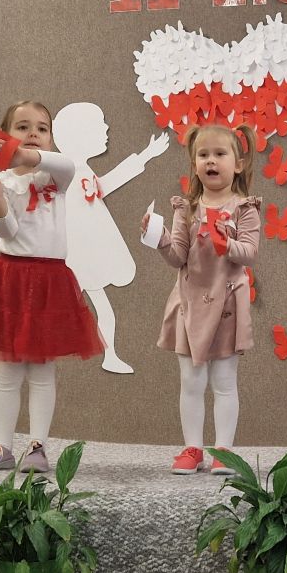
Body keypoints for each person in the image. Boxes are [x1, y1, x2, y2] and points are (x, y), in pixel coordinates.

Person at [0, 101, 104, 474]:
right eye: (22, 126)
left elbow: (63, 163)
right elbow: (7, 231)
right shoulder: (3, 182)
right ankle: (1, 447)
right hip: (11, 278)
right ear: (4, 135)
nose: (33, 133)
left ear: (51, 138)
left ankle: (38, 446)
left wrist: (21, 154)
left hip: (50, 280)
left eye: (42, 128)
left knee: (42, 371)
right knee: (7, 372)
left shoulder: (56, 175)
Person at [142, 123, 260, 475]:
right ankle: (192, 448)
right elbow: (178, 255)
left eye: (220, 154)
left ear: (238, 164)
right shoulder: (187, 208)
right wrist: (160, 238)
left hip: (227, 304)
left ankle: (224, 451)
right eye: (203, 155)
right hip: (190, 303)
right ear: (194, 164)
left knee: (224, 381)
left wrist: (228, 243)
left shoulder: (245, 208)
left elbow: (250, 253)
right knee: (191, 381)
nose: (211, 160)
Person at [53, 102, 170, 373]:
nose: (106, 129)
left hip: (91, 252)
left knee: (101, 308)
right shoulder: (64, 175)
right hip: (75, 255)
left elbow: (106, 184)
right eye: (99, 126)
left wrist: (146, 155)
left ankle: (110, 355)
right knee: (73, 305)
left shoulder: (82, 172)